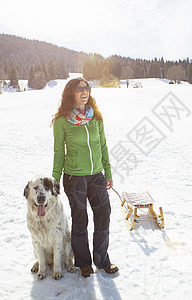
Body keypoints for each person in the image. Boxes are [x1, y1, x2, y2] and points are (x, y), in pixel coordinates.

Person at [51, 77, 118, 278]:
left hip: (96, 175)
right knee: (80, 220)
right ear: (71, 92)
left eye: (87, 88)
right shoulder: (62, 121)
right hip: (74, 178)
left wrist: (108, 172)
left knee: (104, 214)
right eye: (79, 88)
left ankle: (102, 259)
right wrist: (54, 180)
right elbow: (58, 152)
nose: (84, 91)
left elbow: (103, 146)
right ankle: (84, 262)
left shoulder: (96, 117)